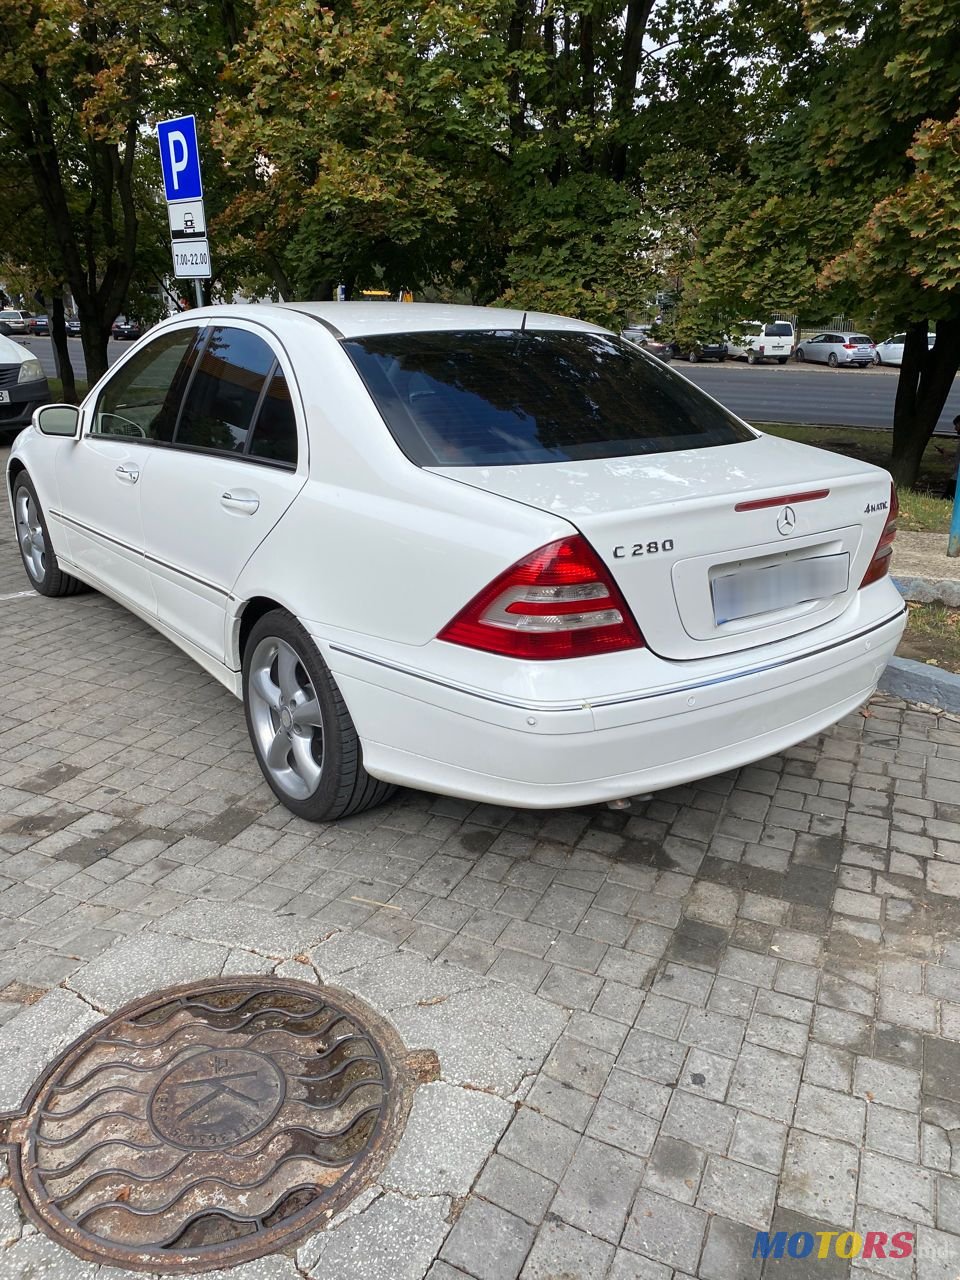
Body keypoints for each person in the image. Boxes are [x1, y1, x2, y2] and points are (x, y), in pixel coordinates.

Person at [939, 415, 960, 501]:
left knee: (948, 497)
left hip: (957, 475)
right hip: (956, 474)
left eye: (957, 425)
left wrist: (947, 460)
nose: (955, 428)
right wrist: (948, 453)